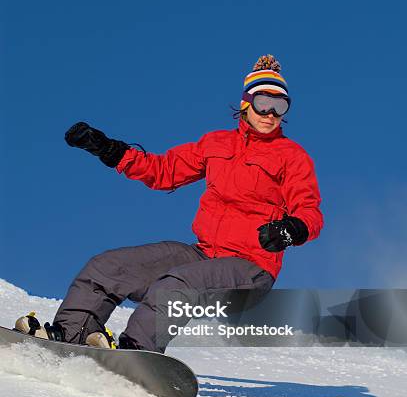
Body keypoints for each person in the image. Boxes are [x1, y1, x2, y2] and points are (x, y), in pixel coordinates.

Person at [16, 54, 323, 352]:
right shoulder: (216, 144)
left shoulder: (292, 156)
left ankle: (137, 350)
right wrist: (111, 151)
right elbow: (162, 170)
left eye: (280, 106)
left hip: (250, 269)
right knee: (108, 267)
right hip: (203, 254)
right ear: (246, 104)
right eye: (263, 103)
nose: (270, 114)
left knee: (176, 284)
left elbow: (309, 211)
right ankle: (70, 336)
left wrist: (291, 229)